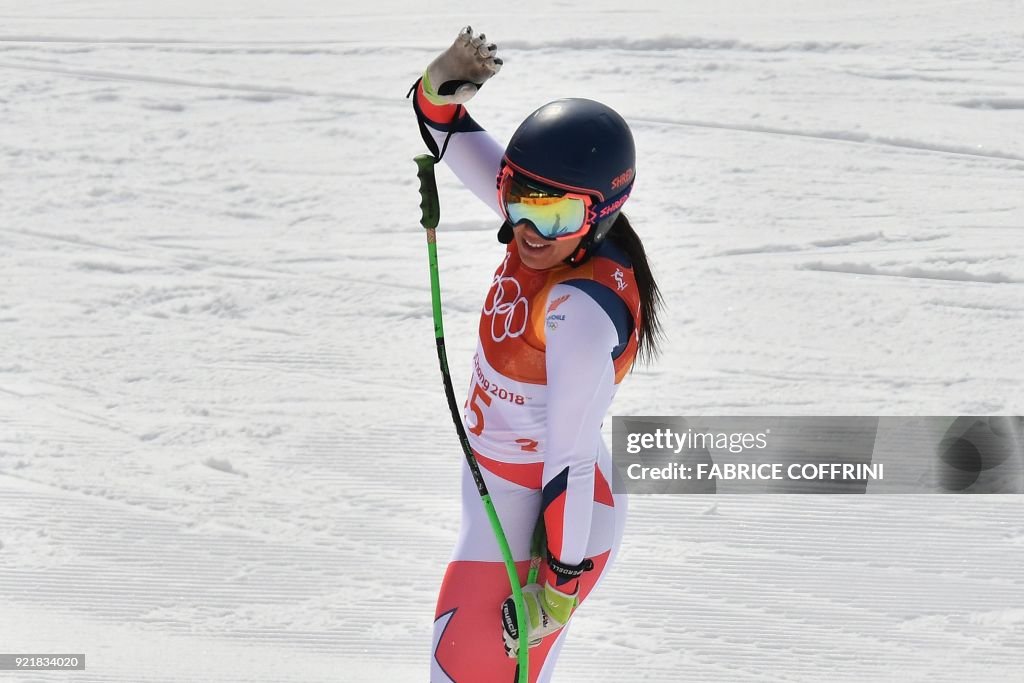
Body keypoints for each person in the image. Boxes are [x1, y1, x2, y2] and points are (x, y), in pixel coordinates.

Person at [412, 27, 662, 683]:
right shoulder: (550, 223)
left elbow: (571, 460)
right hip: (507, 496)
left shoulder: (577, 310)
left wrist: (556, 586)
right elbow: (441, 128)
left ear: (601, 213)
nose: (527, 229)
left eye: (550, 214)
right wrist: (441, 84)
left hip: (552, 528)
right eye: (517, 200)